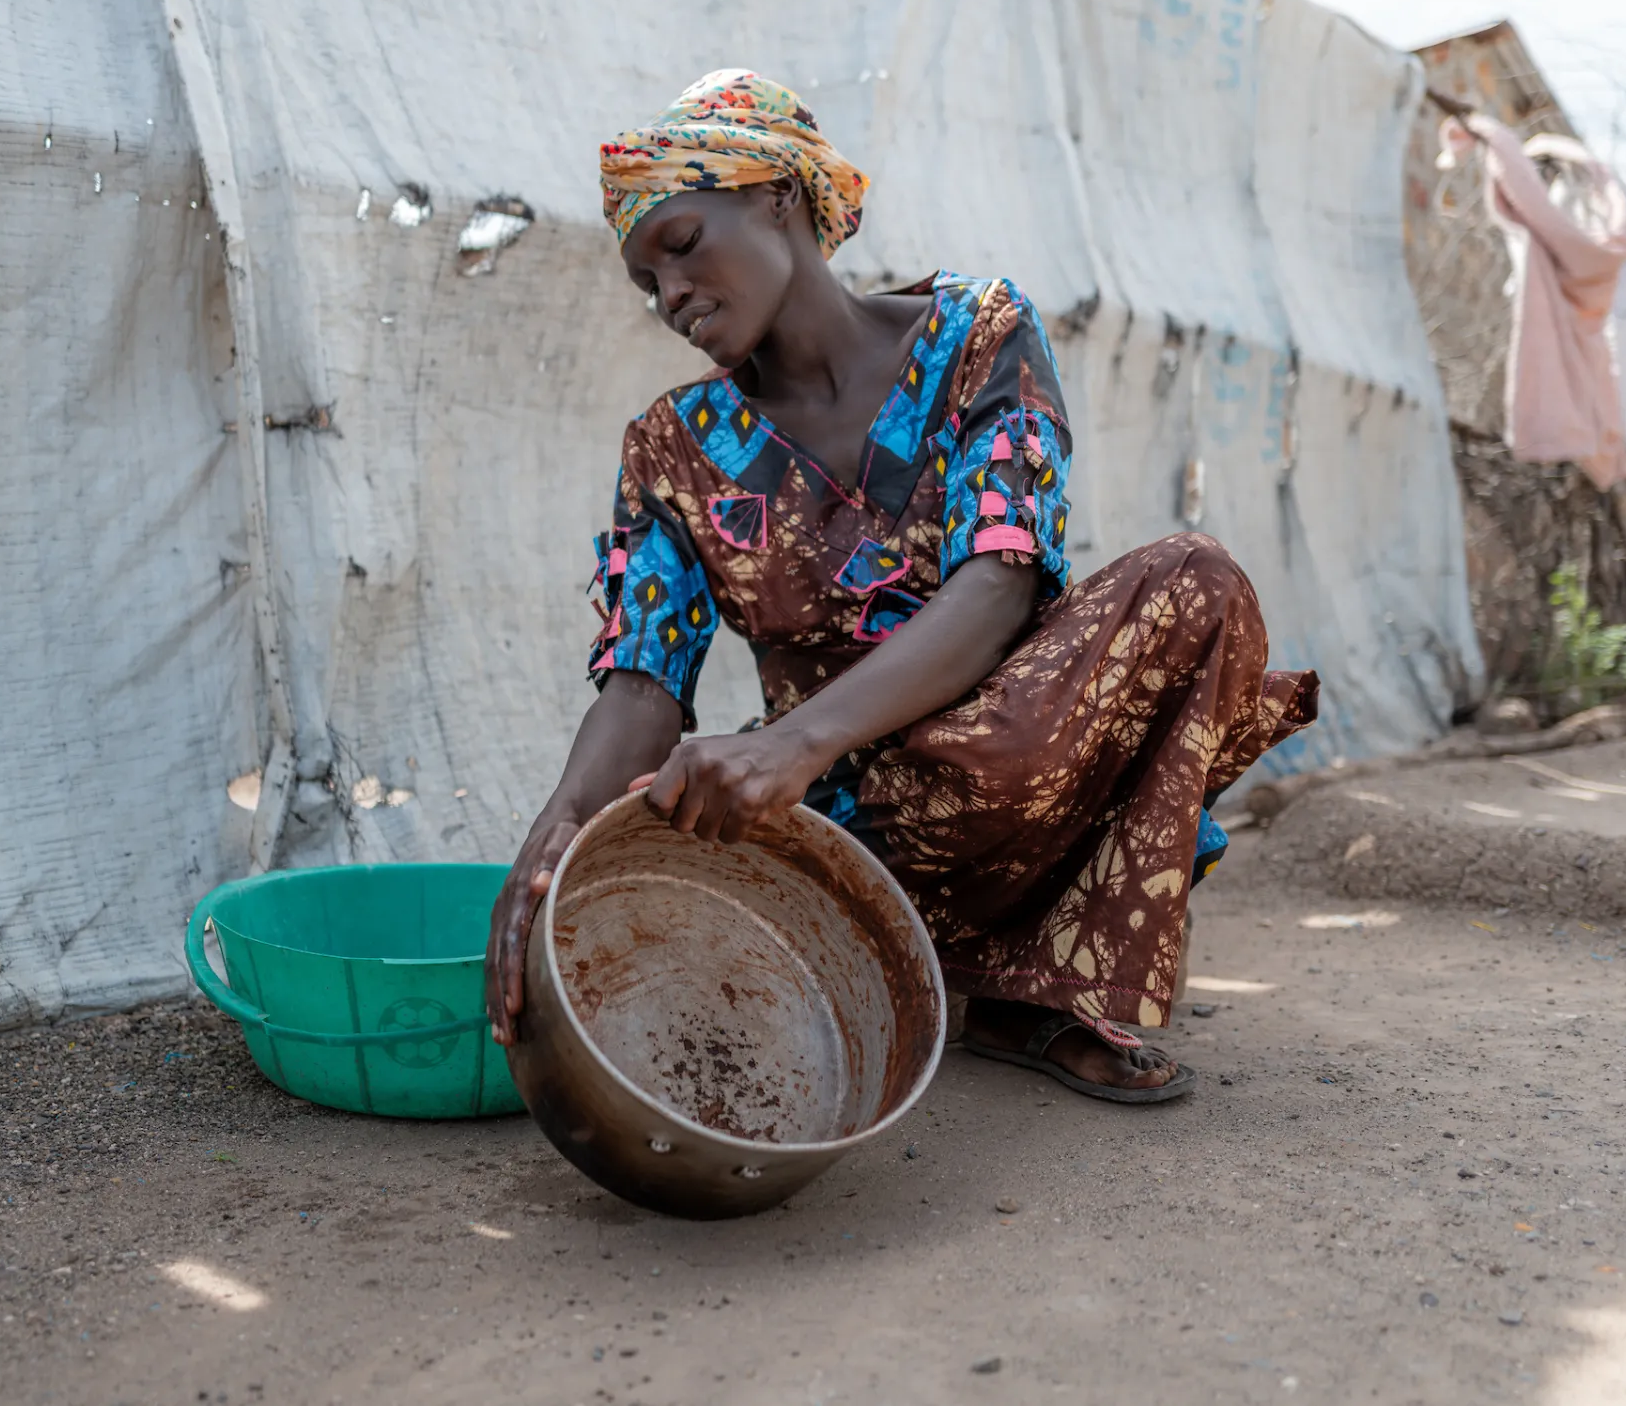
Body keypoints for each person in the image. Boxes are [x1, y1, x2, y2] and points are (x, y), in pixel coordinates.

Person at [484, 70, 1316, 1102]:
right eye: (647, 286)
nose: (671, 298)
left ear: (776, 197)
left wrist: (790, 741)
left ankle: (1040, 989)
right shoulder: (674, 450)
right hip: (861, 829)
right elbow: (644, 682)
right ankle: (896, 959)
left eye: (683, 246)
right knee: (701, 942)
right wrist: (554, 840)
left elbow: (1000, 586)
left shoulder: (978, 336)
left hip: (1029, 759)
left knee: (1194, 583)